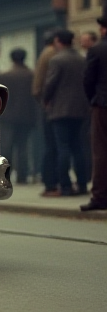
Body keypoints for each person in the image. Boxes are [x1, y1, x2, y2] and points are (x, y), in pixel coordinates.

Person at [42, 30, 90, 197]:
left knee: (63, 147)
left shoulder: (57, 59)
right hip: (80, 109)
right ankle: (83, 184)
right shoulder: (82, 59)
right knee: (78, 147)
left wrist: (45, 100)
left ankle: (66, 186)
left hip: (61, 110)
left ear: (57, 41)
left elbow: (50, 83)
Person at [0, 49, 37, 184]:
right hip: (26, 117)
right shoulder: (31, 75)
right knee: (23, 147)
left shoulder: (4, 76)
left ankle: (6, 176)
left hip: (8, 116)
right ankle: (22, 176)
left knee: (7, 147)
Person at [82, 12, 107, 211]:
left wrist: (92, 99)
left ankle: (99, 196)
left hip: (102, 105)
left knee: (100, 151)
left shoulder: (97, 49)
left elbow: (88, 80)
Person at [33, 29, 60, 194]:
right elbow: (40, 86)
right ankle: (50, 181)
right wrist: (45, 101)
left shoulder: (45, 53)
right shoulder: (51, 54)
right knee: (52, 145)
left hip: (47, 104)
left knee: (50, 145)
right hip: (50, 105)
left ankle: (49, 180)